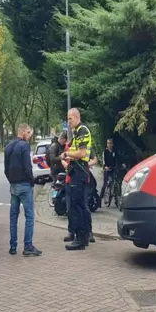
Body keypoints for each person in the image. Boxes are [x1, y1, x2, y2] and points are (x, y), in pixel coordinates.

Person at [4, 124, 42, 256]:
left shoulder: (8, 147)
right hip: (25, 185)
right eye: (29, 133)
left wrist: (11, 180)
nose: (30, 136)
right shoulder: (24, 146)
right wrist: (32, 181)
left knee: (13, 217)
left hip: (13, 186)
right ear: (23, 132)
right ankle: (28, 246)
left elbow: (6, 169)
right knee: (30, 216)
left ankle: (13, 247)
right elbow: (28, 167)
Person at [61, 108, 93, 251]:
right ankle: (84, 237)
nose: (68, 122)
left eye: (70, 119)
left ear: (77, 117)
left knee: (76, 205)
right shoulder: (77, 132)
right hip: (78, 170)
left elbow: (82, 153)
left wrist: (68, 154)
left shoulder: (82, 131)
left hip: (79, 171)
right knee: (78, 204)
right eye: (68, 119)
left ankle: (80, 239)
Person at [100, 138, 118, 206]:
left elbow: (117, 159)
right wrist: (105, 166)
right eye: (108, 143)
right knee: (105, 184)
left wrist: (121, 165)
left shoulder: (115, 151)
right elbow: (103, 160)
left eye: (110, 143)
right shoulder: (105, 151)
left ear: (112, 144)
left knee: (115, 183)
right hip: (107, 168)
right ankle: (100, 199)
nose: (109, 145)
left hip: (113, 168)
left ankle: (116, 199)